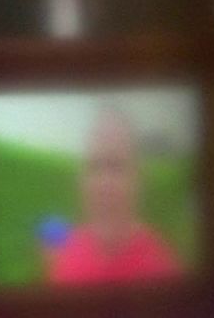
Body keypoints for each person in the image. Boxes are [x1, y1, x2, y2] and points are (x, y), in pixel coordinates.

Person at [46, 110, 183, 285]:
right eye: (95, 166)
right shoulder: (64, 254)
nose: (104, 185)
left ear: (138, 180)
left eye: (117, 167)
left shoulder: (162, 267)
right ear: (80, 182)